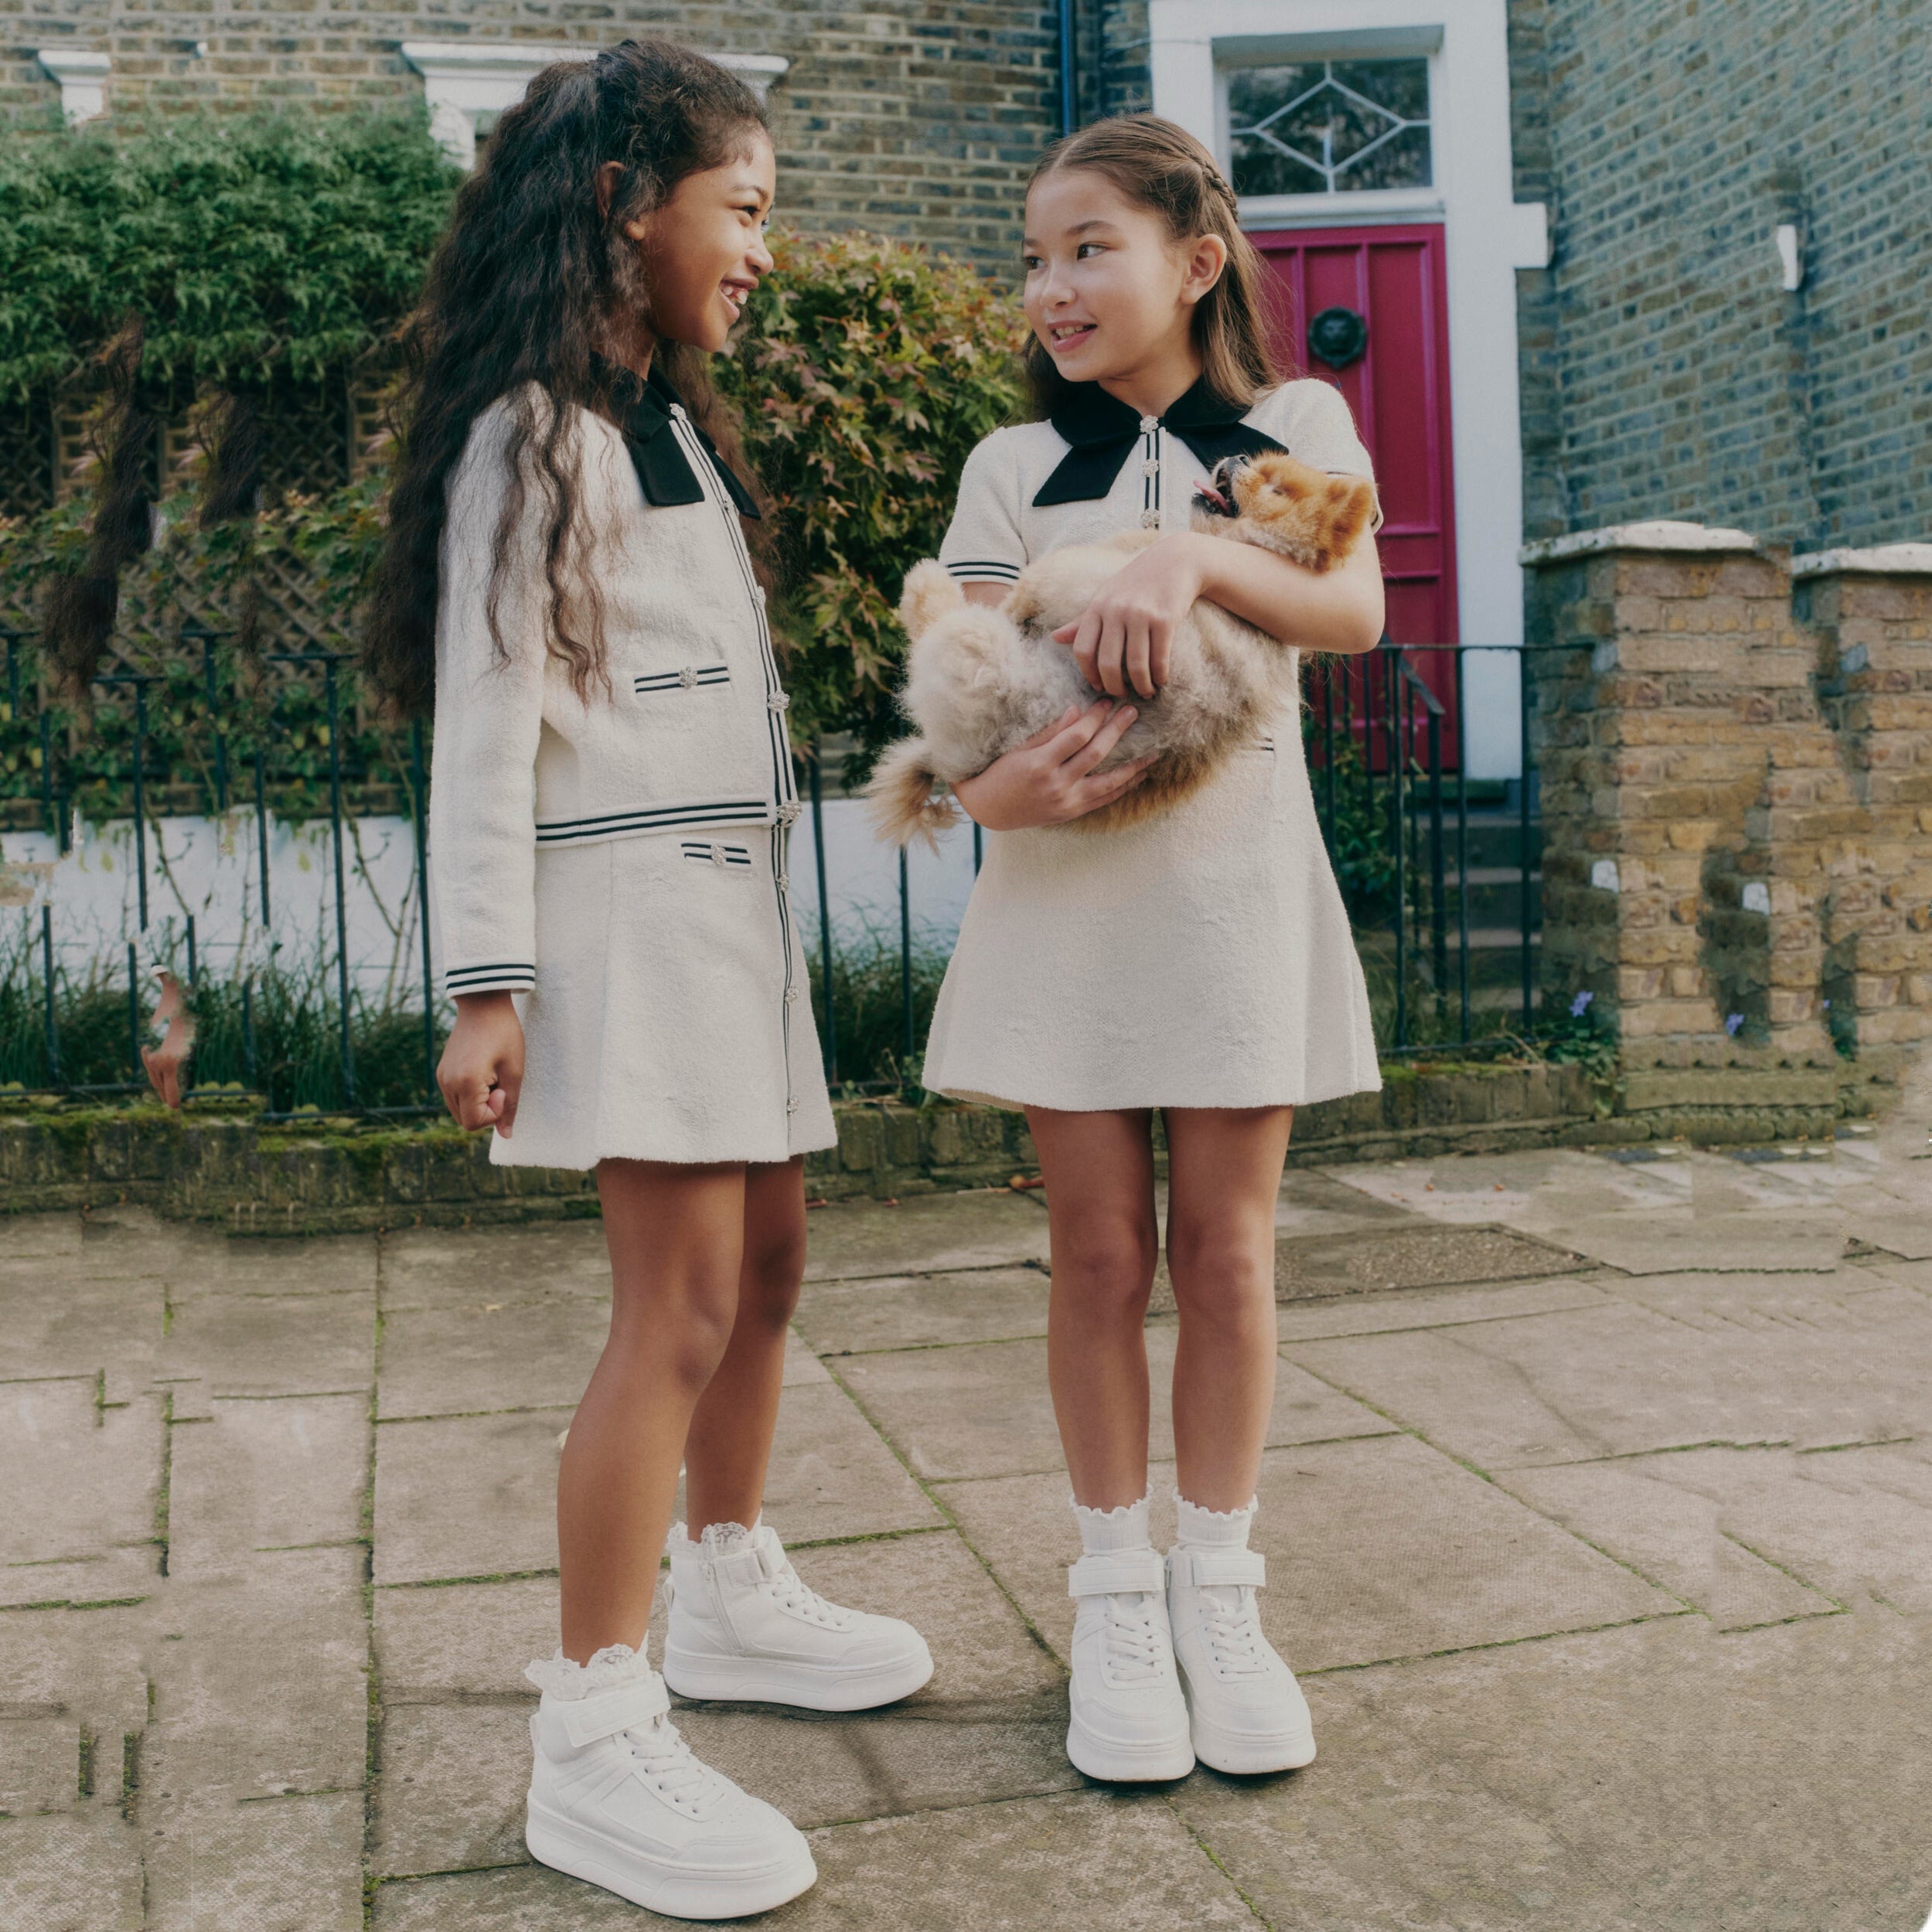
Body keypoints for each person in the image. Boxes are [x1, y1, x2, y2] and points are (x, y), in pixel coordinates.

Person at [363, 41, 931, 1919]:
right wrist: (485, 985)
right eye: (744, 209)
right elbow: (485, 724)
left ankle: (726, 1583)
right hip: (622, 926)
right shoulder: (534, 433)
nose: (762, 250)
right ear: (626, 205)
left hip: (730, 920)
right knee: (671, 1305)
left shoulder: (666, 419)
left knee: (769, 1261)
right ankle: (592, 1734)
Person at [922, 114, 1385, 1782]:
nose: (1050, 286)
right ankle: (1113, 1590)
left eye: (1086, 249)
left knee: (1230, 1257)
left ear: (1194, 261)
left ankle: (1220, 1592)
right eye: (1035, 256)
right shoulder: (1004, 465)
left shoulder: (1280, 425)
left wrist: (1185, 548)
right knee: (1100, 1253)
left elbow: (1349, 609)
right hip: (1062, 900)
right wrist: (993, 788)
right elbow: (959, 685)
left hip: (1230, 891)